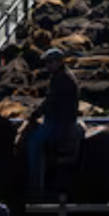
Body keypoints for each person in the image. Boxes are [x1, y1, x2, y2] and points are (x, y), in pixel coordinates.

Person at [26, 48, 80, 192]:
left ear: (59, 62)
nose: (47, 66)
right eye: (46, 62)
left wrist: (34, 115)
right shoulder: (62, 76)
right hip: (64, 119)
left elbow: (50, 101)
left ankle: (36, 184)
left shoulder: (61, 79)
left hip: (60, 122)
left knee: (34, 143)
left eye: (50, 62)